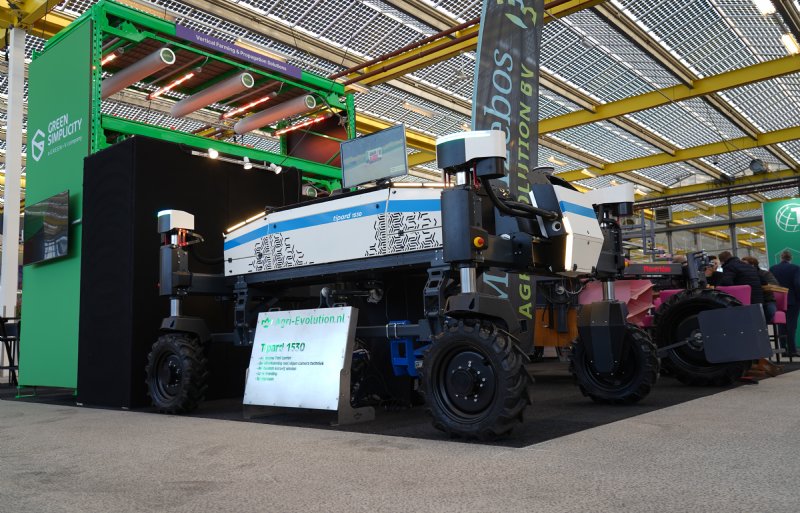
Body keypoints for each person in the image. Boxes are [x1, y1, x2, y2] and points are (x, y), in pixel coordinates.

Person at [770, 250, 800, 357]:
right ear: (790, 258)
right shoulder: (796, 268)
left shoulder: (773, 268)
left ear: (781, 258)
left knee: (781, 325)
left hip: (777, 301)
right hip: (792, 301)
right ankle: (792, 350)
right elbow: (797, 283)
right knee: (791, 326)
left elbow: (770, 284)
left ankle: (783, 350)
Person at [741, 256, 779, 322]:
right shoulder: (741, 275)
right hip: (749, 301)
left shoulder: (765, 274)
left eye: (744, 265)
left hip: (767, 300)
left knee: (770, 312)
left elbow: (774, 284)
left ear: (752, 265)